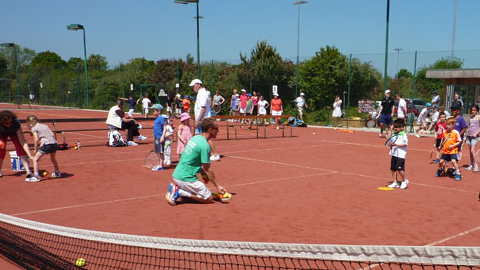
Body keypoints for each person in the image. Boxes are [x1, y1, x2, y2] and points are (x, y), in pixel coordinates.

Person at [165, 118, 228, 206]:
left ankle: (181, 189)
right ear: (210, 129)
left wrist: (202, 173)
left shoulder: (195, 138)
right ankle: (180, 191)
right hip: (185, 178)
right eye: (216, 129)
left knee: (199, 192)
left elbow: (191, 160)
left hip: (177, 175)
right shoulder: (205, 146)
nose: (218, 131)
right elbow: (207, 169)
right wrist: (218, 186)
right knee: (209, 198)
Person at [190, 79, 220, 161]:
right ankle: (207, 154)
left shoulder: (202, 93)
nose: (193, 88)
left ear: (199, 84)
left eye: (194, 86)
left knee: (206, 137)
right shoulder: (201, 93)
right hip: (202, 119)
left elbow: (203, 108)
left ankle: (215, 154)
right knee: (201, 137)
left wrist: (197, 120)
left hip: (204, 119)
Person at [26, 115, 61, 182]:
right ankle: (57, 172)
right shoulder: (45, 126)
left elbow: (36, 139)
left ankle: (36, 176)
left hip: (46, 144)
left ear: (30, 123)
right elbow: (52, 134)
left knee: (35, 159)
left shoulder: (34, 128)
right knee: (53, 159)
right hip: (54, 143)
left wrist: (35, 149)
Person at [0, 111, 34, 180]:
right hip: (2, 133)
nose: (10, 124)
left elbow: (23, 142)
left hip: (14, 133)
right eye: (7, 123)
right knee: (1, 148)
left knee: (20, 147)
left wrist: (30, 155)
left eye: (11, 122)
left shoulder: (16, 123)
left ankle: (28, 171)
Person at [387, 119, 409, 189]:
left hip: (401, 155)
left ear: (402, 127)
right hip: (394, 153)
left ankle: (404, 180)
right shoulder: (394, 134)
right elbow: (388, 139)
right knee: (393, 169)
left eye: (397, 127)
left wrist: (396, 144)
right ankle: (395, 182)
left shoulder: (403, 135)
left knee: (399, 169)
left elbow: (405, 144)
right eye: (394, 127)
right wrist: (390, 130)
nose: (395, 128)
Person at [465, 105, 480, 172]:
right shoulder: (470, 117)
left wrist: (476, 133)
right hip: (469, 136)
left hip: (475, 136)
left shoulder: (479, 117)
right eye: (472, 110)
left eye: (474, 110)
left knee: (472, 150)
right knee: (470, 152)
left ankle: (476, 166)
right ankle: (472, 164)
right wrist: (465, 135)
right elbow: (468, 126)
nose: (473, 111)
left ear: (477, 110)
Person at [151, 104, 166, 171]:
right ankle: (160, 164)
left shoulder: (161, 118)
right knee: (158, 152)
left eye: (154, 111)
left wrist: (162, 137)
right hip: (156, 137)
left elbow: (164, 128)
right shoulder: (157, 119)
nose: (153, 112)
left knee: (161, 152)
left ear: (159, 111)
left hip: (160, 137)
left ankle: (161, 165)